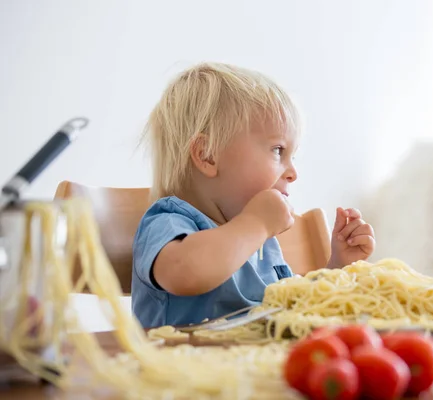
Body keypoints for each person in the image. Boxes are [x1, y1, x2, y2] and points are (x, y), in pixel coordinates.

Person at [131, 62, 376, 328]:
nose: (293, 172)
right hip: (180, 366)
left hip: (255, 363)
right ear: (207, 154)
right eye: (277, 150)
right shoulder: (168, 222)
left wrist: (337, 267)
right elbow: (185, 273)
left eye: (292, 156)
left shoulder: (262, 244)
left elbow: (292, 306)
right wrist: (255, 224)